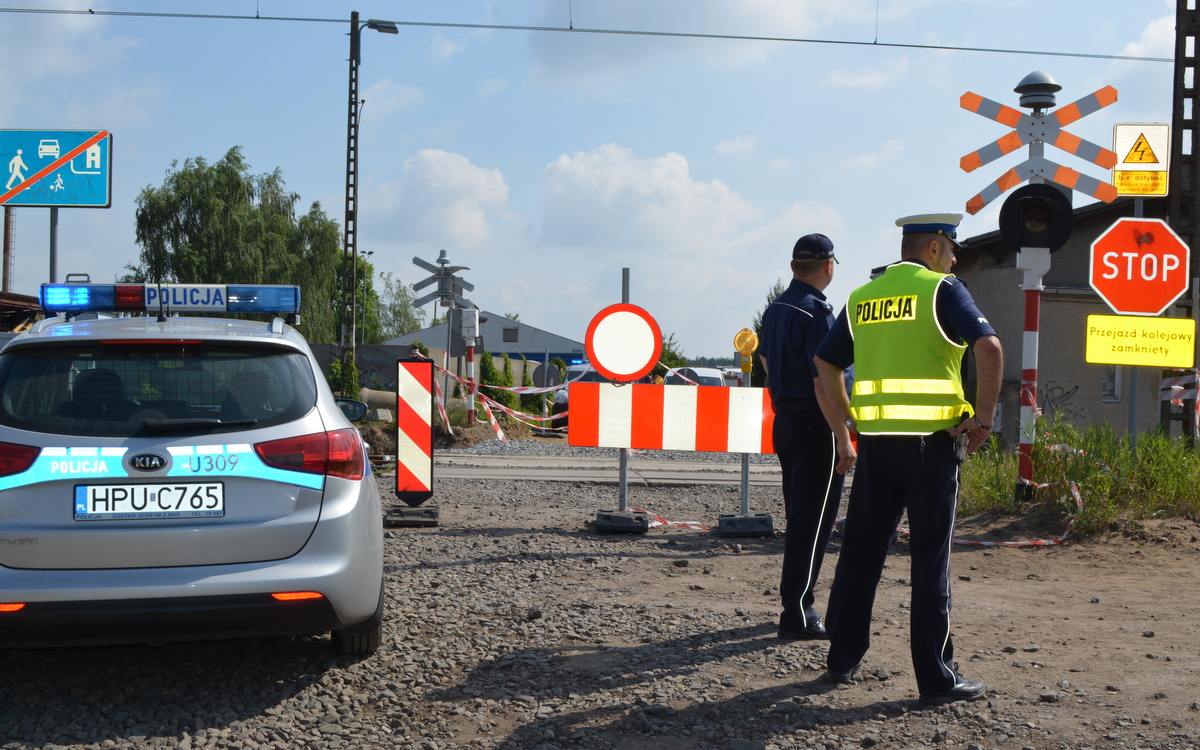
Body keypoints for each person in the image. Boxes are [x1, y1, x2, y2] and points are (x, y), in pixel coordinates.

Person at [813, 212, 1003, 705]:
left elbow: (825, 363)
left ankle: (842, 656)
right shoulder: (943, 290)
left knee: (860, 553)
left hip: (878, 444)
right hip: (931, 447)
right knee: (930, 561)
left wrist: (850, 417)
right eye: (953, 250)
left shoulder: (862, 297)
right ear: (937, 247)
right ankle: (936, 679)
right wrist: (983, 418)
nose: (955, 259)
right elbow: (989, 344)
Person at [759, 233, 852, 641]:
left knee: (801, 518)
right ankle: (797, 610)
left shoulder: (776, 309)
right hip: (816, 425)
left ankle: (795, 604)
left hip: (785, 422)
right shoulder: (816, 313)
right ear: (828, 265)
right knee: (812, 524)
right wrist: (843, 436)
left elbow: (764, 359)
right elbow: (823, 380)